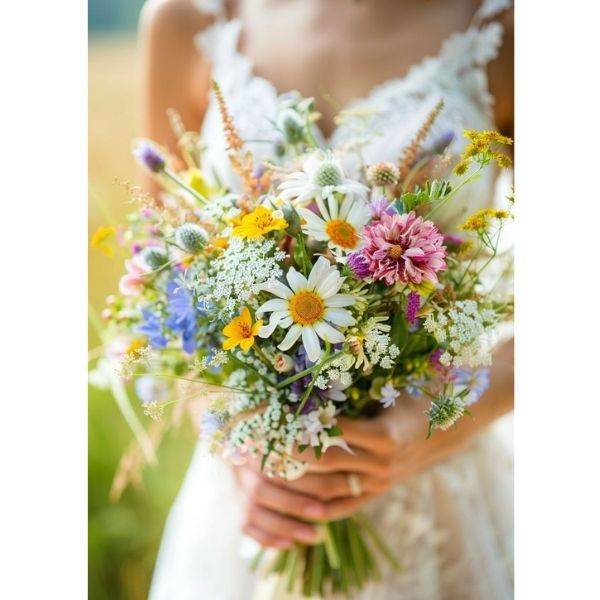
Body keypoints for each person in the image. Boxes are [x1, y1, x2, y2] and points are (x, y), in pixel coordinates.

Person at [140, 1, 514, 598]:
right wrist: (237, 439)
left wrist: (431, 427)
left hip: (435, 496)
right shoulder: (185, 20)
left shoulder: (509, 29)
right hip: (257, 502)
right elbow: (161, 290)